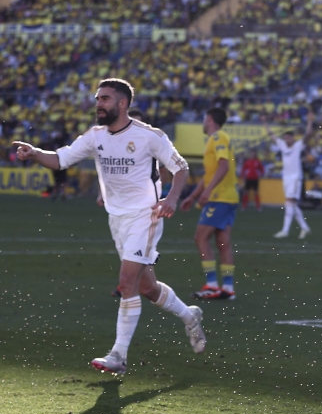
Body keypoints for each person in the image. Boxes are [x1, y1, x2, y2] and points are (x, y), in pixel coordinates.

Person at [13, 78, 206, 374]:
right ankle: (189, 316)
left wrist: (172, 199)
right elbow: (61, 159)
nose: (98, 103)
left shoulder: (149, 136)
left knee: (126, 282)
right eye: (97, 98)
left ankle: (118, 356)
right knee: (147, 287)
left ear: (122, 103)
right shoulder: (95, 136)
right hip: (117, 219)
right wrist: (35, 153)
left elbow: (181, 167)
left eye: (104, 98)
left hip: (146, 215)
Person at [181, 107, 239, 300]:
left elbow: (223, 166)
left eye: (204, 118)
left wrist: (206, 192)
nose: (203, 122)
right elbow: (210, 175)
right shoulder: (217, 139)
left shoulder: (217, 138)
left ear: (210, 119)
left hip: (219, 197)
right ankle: (228, 289)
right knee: (223, 243)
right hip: (228, 197)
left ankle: (212, 285)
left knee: (200, 238)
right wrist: (193, 196)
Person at [266, 112, 314, 239]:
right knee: (292, 204)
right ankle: (304, 228)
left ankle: (285, 231)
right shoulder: (282, 145)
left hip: (295, 177)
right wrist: (264, 123)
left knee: (289, 202)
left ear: (293, 138)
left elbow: (308, 135)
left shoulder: (298, 146)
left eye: (290, 138)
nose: (288, 140)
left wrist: (309, 121)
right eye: (286, 138)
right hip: (286, 177)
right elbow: (271, 136)